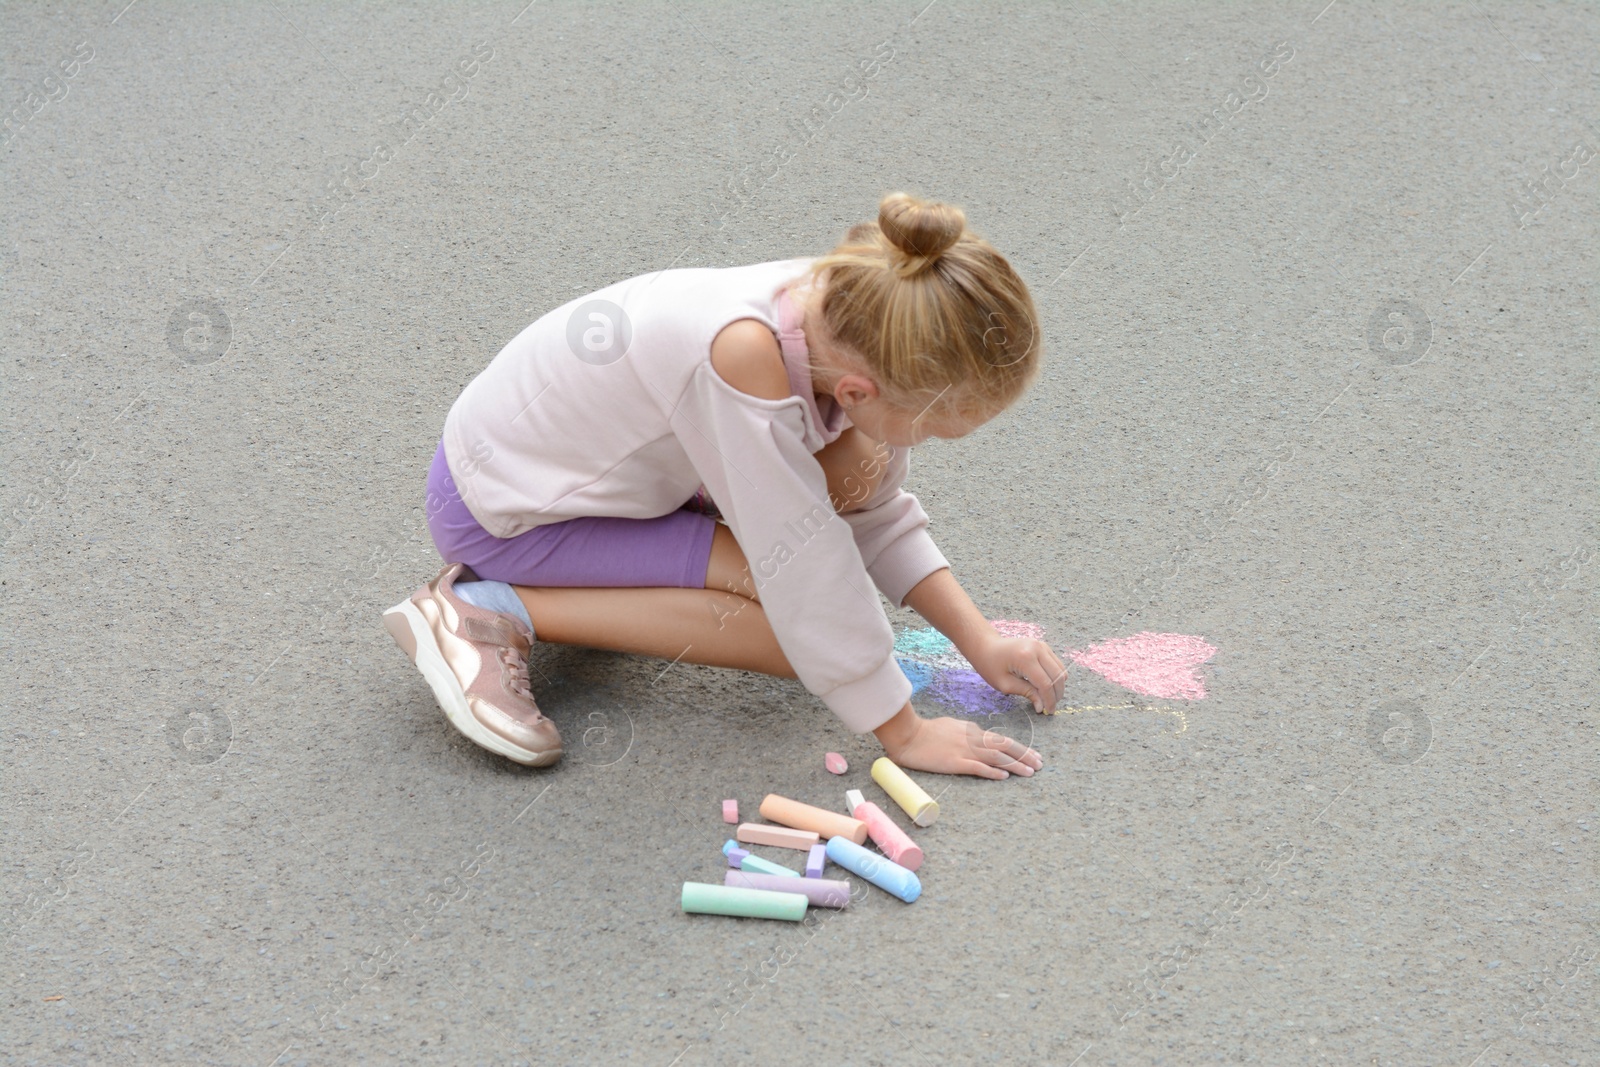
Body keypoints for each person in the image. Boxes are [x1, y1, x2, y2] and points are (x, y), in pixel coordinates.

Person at [384, 191, 1066, 776]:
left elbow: (873, 509)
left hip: (593, 474)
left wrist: (979, 640)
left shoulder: (863, 305)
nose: (933, 445)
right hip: (509, 511)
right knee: (789, 632)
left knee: (850, 499)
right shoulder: (740, 357)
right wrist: (905, 732)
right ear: (859, 390)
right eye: (940, 430)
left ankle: (564, 591)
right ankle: (491, 608)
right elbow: (807, 568)